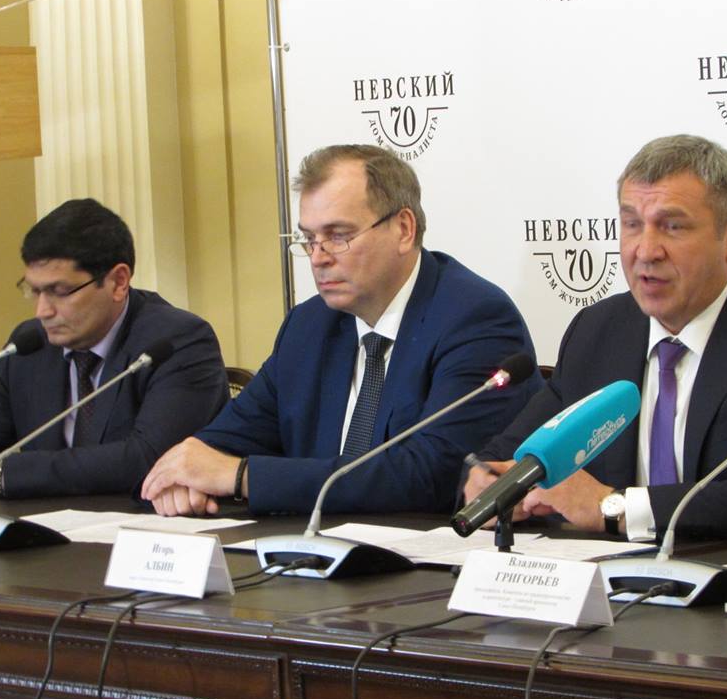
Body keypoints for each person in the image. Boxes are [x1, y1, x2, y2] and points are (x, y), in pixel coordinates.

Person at [464, 134, 727, 542]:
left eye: (672, 227)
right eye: (632, 224)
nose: (646, 250)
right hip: (617, 575)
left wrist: (614, 507)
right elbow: (506, 456)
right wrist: (488, 481)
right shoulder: (598, 331)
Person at [141, 144, 543, 517]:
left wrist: (241, 476)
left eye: (337, 236)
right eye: (308, 239)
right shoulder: (308, 326)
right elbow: (226, 440)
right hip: (311, 551)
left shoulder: (475, 318)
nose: (318, 258)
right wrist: (185, 472)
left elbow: (434, 473)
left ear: (404, 229)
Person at [0, 199, 228, 500]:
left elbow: (147, 459)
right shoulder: (31, 344)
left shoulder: (176, 342)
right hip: (46, 527)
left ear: (118, 282)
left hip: (145, 527)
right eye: (34, 291)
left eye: (59, 291)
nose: (43, 311)